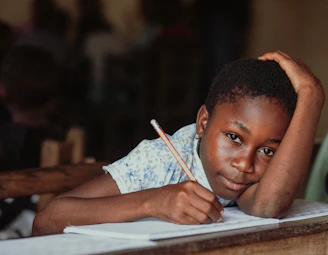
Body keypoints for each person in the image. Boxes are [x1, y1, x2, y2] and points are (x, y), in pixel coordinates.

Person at [32, 50, 325, 236]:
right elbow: (47, 220)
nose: (244, 164)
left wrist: (312, 95)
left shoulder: (244, 178)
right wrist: (154, 201)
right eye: (234, 137)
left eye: (267, 150)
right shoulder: (160, 161)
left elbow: (268, 205)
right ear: (203, 122)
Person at [0, 45, 66, 238]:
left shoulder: (4, 142)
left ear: (3, 92)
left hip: (10, 233)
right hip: (47, 227)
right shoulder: (64, 136)